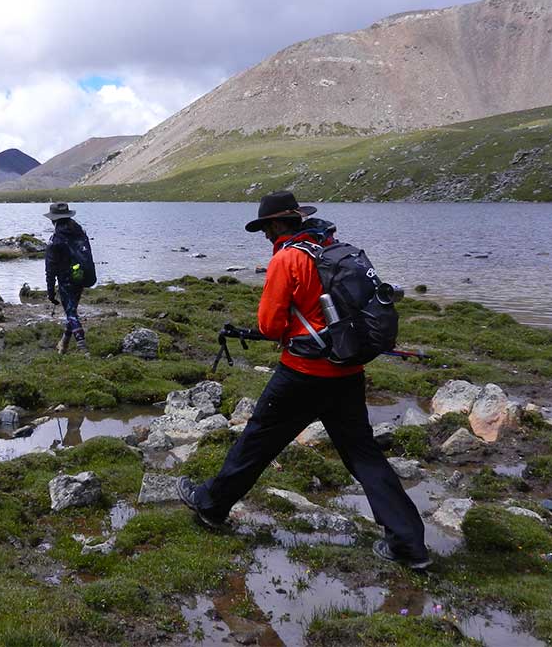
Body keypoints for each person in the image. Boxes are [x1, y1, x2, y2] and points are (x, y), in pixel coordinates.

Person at [177, 191, 431, 570]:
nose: (265, 235)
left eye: (266, 228)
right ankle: (409, 545)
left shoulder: (288, 258)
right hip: (347, 372)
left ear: (278, 224)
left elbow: (269, 324)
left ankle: (210, 506)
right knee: (364, 456)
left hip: (302, 374)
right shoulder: (336, 249)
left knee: (257, 441)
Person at [43, 201, 91, 355]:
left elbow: (50, 270)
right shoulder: (80, 232)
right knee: (72, 311)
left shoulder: (55, 240)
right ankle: (63, 345)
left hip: (66, 281)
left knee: (71, 314)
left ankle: (83, 349)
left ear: (54, 219)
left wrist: (50, 292)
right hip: (82, 276)